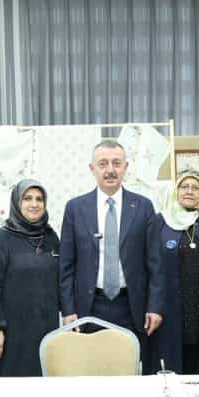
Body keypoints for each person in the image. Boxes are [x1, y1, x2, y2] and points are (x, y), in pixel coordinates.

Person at [59, 140, 163, 371]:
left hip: (132, 307)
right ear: (92, 168)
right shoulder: (75, 208)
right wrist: (68, 310)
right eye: (103, 163)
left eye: (116, 163)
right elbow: (66, 265)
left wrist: (155, 306)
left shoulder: (143, 207)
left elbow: (155, 264)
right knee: (91, 369)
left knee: (130, 370)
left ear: (126, 167)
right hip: (89, 307)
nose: (110, 170)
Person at [0, 179, 61, 376]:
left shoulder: (51, 237)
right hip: (11, 332)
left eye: (39, 199)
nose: (34, 204)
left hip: (47, 327)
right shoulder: (1, 238)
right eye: (27, 198)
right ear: (17, 202)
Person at [152, 171, 199, 375]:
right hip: (170, 308)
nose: (189, 191)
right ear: (176, 190)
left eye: (196, 188)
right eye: (184, 187)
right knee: (172, 365)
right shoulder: (159, 222)